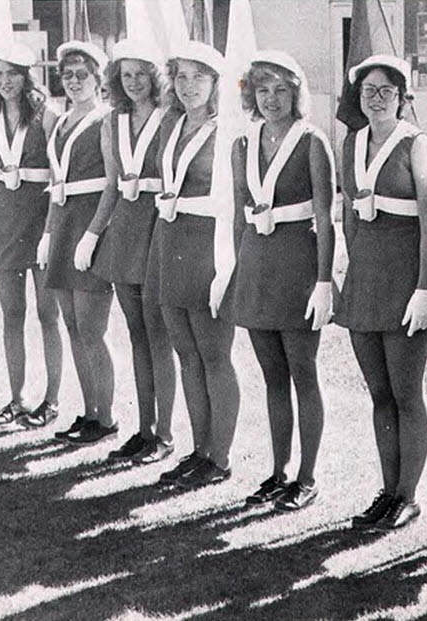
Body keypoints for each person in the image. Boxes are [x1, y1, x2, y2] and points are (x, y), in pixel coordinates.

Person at [335, 55, 427, 530]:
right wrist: (356, 269)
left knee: (405, 392)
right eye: (368, 91)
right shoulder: (351, 142)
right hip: (365, 281)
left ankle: (408, 495)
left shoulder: (416, 144)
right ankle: (387, 488)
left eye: (385, 92)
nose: (375, 99)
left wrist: (424, 286)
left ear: (403, 98)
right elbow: (350, 214)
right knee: (379, 394)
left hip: (404, 281)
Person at [232, 51, 335, 511]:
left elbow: (326, 218)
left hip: (297, 264)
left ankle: (307, 477)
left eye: (280, 89)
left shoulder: (312, 141)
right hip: (257, 264)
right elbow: (239, 212)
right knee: (272, 377)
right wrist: (236, 270)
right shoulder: (243, 143)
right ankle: (278, 472)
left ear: (296, 93)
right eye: (262, 89)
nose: (271, 99)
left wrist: (324, 280)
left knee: (302, 373)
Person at [74, 39, 176, 463]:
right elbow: (113, 186)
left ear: (155, 77)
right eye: (126, 75)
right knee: (137, 334)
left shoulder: (171, 118)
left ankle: (164, 434)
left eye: (141, 74)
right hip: (126, 233)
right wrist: (93, 234)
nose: (133, 82)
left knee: (159, 335)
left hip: (160, 227)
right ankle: (144, 427)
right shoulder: (111, 123)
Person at [152, 42, 240, 490]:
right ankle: (199, 449)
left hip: (209, 245)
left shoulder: (228, 130)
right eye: (181, 77)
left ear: (215, 84)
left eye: (198, 78)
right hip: (173, 242)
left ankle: (219, 456)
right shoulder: (172, 123)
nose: (189, 87)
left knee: (214, 354)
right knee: (186, 354)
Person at [0, 41, 62, 426]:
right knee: (12, 313)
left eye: (13, 73)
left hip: (42, 217)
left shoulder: (48, 114)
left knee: (48, 313)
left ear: (27, 76)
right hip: (8, 220)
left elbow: (60, 174)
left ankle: (52, 400)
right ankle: (17, 398)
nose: (6, 81)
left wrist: (51, 230)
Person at [37, 39, 115, 443]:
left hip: (90, 228)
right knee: (71, 325)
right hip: (64, 224)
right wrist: (50, 233)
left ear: (99, 79)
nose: (74, 81)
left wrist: (93, 234)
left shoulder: (106, 119)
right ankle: (88, 412)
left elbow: (112, 185)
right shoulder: (62, 121)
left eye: (82, 75)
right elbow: (56, 183)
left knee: (91, 328)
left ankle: (106, 417)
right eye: (67, 75)